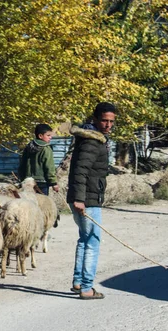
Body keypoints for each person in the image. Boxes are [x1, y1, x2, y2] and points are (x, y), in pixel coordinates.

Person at [66, 102, 116, 300]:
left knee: (85, 239)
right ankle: (87, 288)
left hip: (86, 196)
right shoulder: (92, 142)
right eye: (104, 120)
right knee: (93, 241)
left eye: (111, 121)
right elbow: (80, 171)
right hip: (87, 199)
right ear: (95, 119)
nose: (108, 125)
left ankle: (79, 281)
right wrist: (80, 199)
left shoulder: (92, 139)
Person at [18, 123, 59, 195]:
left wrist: (22, 178)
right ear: (40, 136)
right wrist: (53, 182)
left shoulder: (28, 147)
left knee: (30, 203)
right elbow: (49, 167)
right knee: (42, 204)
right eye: (48, 135)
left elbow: (22, 164)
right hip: (42, 182)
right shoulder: (46, 148)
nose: (50, 137)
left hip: (27, 181)